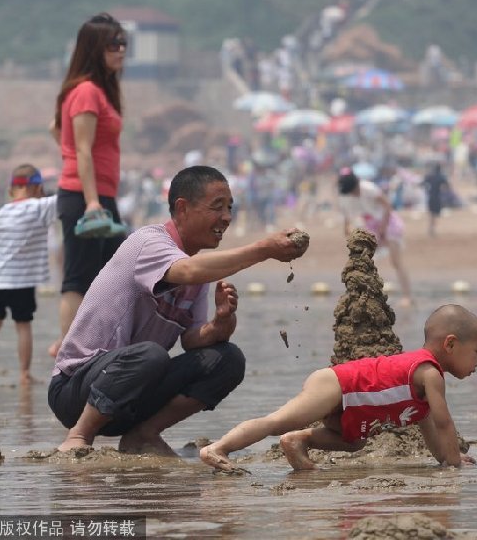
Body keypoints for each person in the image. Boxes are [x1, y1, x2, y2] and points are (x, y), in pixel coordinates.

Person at [49, 165, 308, 454]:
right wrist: (263, 249)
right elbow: (186, 271)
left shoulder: (195, 270)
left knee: (227, 359)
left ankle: (144, 434)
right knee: (151, 354)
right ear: (183, 208)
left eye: (230, 208)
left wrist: (221, 322)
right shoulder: (149, 242)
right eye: (217, 207)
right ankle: (79, 435)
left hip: (129, 394)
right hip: (75, 389)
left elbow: (192, 339)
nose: (226, 217)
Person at [200, 304, 477, 472]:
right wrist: (453, 465)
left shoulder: (424, 383)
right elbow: (443, 422)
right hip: (338, 384)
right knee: (277, 420)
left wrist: (444, 458)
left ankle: (298, 441)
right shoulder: (430, 373)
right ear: (450, 344)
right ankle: (219, 448)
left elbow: (429, 428)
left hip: (355, 404)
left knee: (354, 442)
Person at [49, 12, 129, 358]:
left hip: (98, 196)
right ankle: (69, 354)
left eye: (125, 43)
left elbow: (56, 129)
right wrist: (92, 200)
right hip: (86, 199)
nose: (122, 50)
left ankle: (92, 346)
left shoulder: (98, 91)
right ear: (96, 49)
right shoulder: (86, 91)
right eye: (114, 45)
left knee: (116, 273)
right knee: (79, 278)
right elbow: (81, 148)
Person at [0, 165, 57, 385]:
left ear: (12, 188)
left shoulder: (1, 213)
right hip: (22, 282)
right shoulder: (40, 207)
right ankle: (24, 373)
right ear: (37, 187)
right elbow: (67, 197)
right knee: (23, 325)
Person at [338, 169, 413, 307]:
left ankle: (407, 296)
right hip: (371, 226)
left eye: (355, 190)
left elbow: (387, 206)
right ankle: (364, 297)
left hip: (388, 222)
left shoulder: (368, 188)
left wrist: (383, 229)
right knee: (363, 262)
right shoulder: (345, 197)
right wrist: (350, 236)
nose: (355, 194)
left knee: (396, 261)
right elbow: (346, 222)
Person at [421, 163, 451, 238]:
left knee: (432, 214)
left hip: (430, 197)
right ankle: (433, 229)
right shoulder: (441, 177)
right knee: (435, 214)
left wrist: (427, 190)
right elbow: (447, 185)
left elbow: (422, 183)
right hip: (437, 197)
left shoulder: (429, 176)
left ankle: (431, 228)